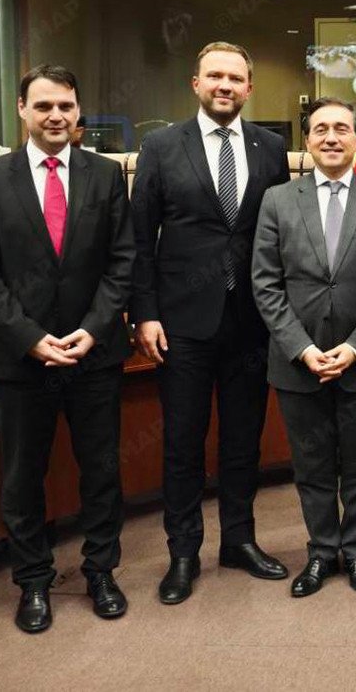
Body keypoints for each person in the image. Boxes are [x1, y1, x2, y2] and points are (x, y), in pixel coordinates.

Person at [0, 64, 135, 633]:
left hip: (95, 353)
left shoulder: (106, 175)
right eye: (44, 107)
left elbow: (122, 261)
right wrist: (32, 338)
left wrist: (93, 327)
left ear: (78, 110)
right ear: (21, 110)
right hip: (20, 360)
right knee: (21, 477)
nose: (56, 116)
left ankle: (101, 572)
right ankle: (33, 582)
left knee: (102, 471)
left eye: (65, 106)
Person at [130, 42, 292, 605]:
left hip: (252, 320)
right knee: (182, 442)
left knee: (243, 441)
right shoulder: (159, 145)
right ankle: (183, 554)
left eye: (236, 78)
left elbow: (277, 234)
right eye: (215, 76)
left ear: (249, 88)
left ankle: (239, 542)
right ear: (194, 83)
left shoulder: (271, 146)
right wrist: (144, 312)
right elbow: (139, 239)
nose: (225, 85)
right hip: (182, 322)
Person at [251, 97, 356, 597]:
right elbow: (266, 283)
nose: (331, 137)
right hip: (298, 364)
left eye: (342, 128)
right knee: (313, 466)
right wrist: (301, 348)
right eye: (320, 129)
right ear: (307, 140)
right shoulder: (278, 200)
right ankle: (321, 553)